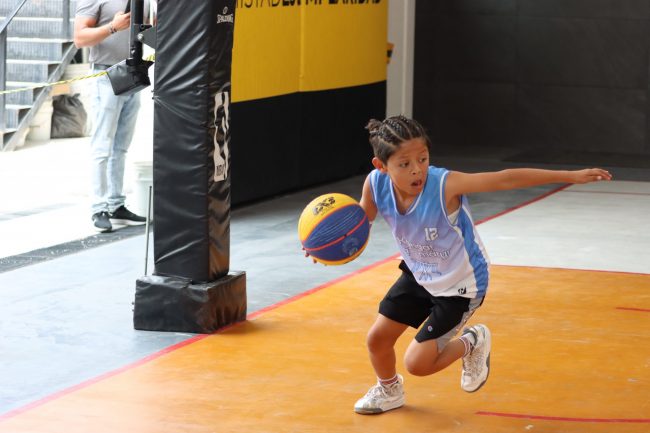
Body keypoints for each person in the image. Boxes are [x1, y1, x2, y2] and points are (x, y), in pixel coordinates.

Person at [350, 115, 612, 414]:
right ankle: (389, 390)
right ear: (381, 166)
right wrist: (326, 244)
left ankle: (472, 341)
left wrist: (569, 176)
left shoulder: (444, 185)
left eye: (422, 158)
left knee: (417, 364)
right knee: (377, 340)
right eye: (404, 163)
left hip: (460, 285)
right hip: (419, 274)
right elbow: (358, 225)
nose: (417, 169)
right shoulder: (375, 184)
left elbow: (505, 178)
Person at [73, 0, 147, 232]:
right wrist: (113, 27)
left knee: (121, 147)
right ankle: (99, 208)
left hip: (132, 72)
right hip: (105, 74)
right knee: (102, 146)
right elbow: (79, 38)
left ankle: (116, 204)